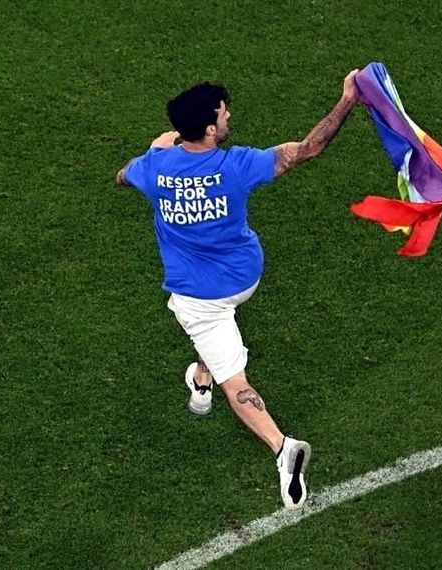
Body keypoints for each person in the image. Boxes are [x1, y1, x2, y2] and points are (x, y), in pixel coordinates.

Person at [115, 69, 360, 509]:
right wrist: (347, 100)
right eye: (224, 115)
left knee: (232, 371)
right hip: (244, 279)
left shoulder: (152, 168)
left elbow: (123, 175)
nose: (229, 119)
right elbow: (310, 148)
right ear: (210, 129)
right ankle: (229, 403)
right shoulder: (236, 165)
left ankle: (276, 442)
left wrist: (163, 148)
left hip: (201, 299)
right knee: (223, 365)